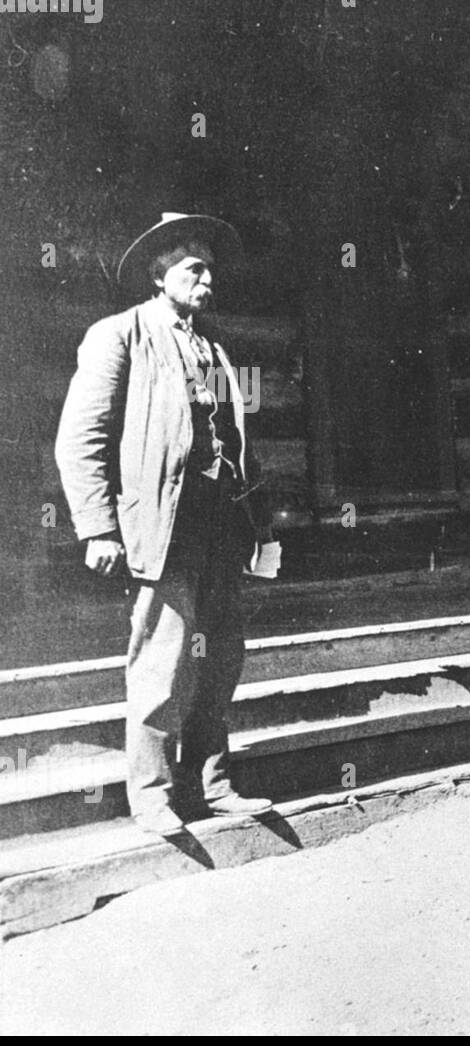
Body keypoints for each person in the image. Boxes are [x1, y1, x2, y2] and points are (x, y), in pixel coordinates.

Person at [55, 212, 276, 835]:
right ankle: (151, 795)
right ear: (160, 275)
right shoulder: (119, 336)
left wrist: (262, 527)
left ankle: (210, 782)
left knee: (220, 656)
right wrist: (97, 526)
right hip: (160, 525)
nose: (207, 279)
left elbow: (238, 441)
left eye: (211, 267)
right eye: (192, 268)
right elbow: (81, 439)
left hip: (221, 526)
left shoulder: (215, 346)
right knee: (163, 660)